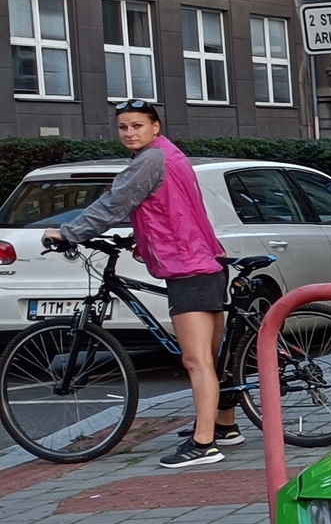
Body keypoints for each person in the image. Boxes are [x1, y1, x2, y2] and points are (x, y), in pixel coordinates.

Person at [43, 101, 236, 466]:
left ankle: (203, 444)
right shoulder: (168, 154)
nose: (130, 132)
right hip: (203, 258)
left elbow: (114, 203)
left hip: (188, 266)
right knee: (211, 357)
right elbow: (167, 208)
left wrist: (68, 232)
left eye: (137, 125)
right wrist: (142, 242)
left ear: (155, 127)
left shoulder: (148, 161)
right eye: (123, 127)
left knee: (196, 361)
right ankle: (224, 425)